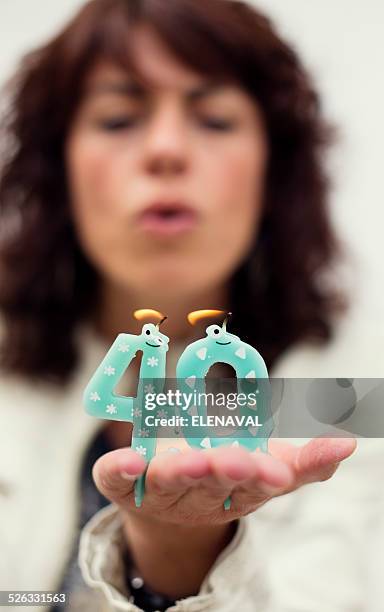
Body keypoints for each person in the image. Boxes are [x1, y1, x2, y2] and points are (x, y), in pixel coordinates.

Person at [0, 0, 380, 610]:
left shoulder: (356, 385)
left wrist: (181, 555)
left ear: (272, 171)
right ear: (58, 166)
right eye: (120, 119)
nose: (167, 150)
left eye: (215, 120)